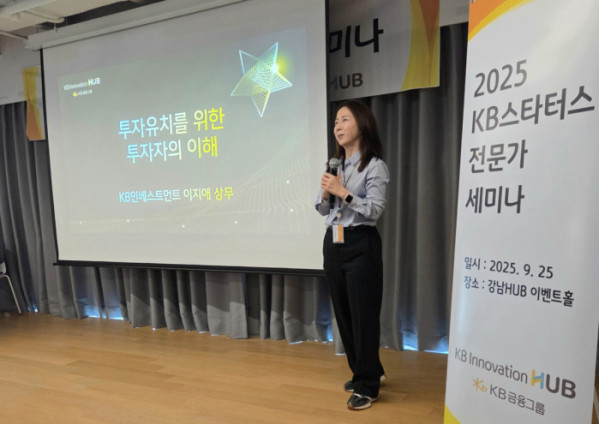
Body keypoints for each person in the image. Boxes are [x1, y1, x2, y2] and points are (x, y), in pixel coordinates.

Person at [315, 100, 390, 410]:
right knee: (344, 315)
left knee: (363, 316)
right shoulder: (333, 165)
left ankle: (367, 386)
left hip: (361, 243)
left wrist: (343, 192)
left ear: (362, 124)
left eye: (344, 119)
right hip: (333, 243)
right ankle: (365, 370)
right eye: (336, 121)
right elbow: (322, 209)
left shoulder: (374, 166)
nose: (338, 126)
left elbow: (374, 210)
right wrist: (325, 193)